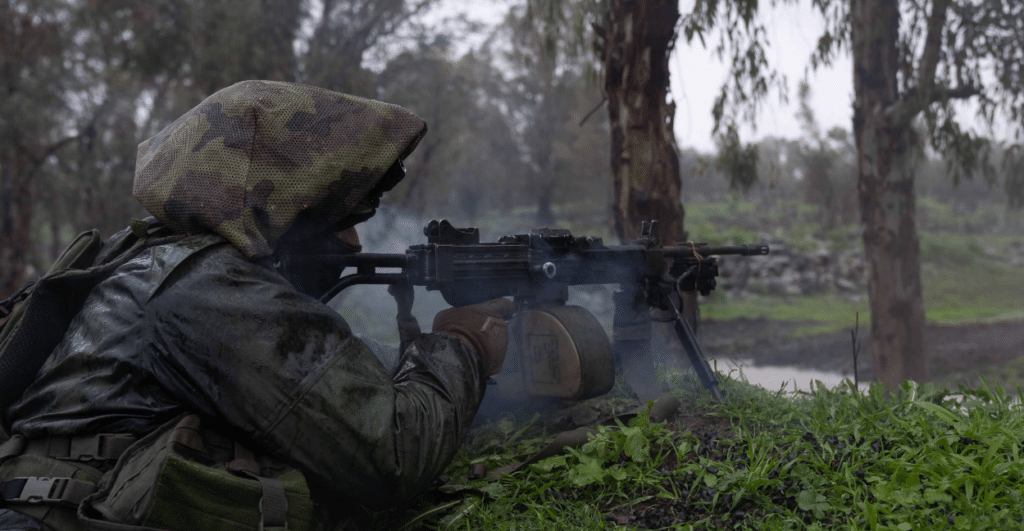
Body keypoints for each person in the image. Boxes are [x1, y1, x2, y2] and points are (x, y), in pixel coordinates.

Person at [0, 80, 513, 530]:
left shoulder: (153, 256)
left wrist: (439, 365)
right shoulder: (204, 289)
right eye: (340, 218)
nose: (355, 243)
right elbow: (394, 455)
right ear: (280, 205)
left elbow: (325, 379)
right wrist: (464, 340)